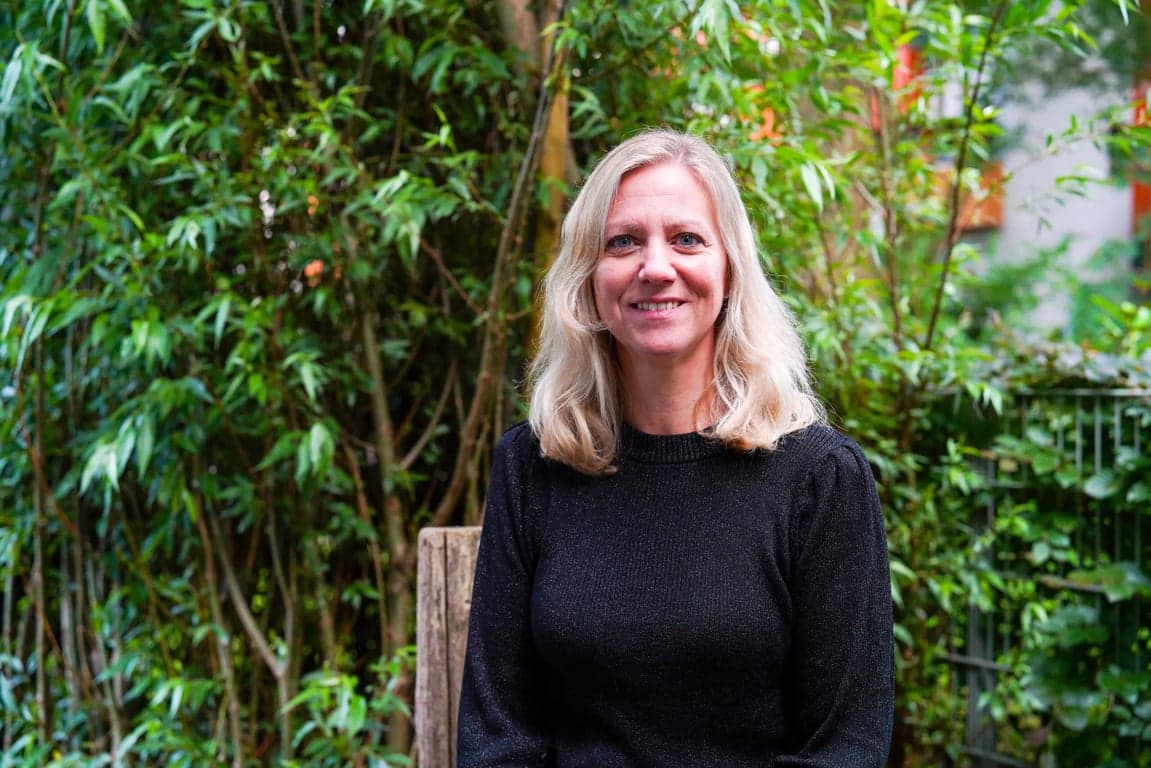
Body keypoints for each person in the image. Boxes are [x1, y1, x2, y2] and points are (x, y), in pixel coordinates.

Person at [456, 128, 893, 767]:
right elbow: (497, 739)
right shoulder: (532, 467)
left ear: (729, 270)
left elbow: (845, 747)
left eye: (687, 239)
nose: (655, 267)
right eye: (623, 242)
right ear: (588, 278)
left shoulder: (820, 478)